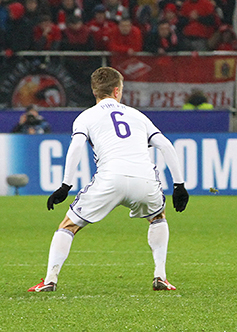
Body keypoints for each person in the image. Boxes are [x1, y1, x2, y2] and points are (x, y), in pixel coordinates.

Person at [28, 67, 189, 292]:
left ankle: (49, 281)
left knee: (68, 225)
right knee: (157, 217)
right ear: (116, 91)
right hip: (144, 179)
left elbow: (76, 146)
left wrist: (65, 185)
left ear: (94, 91)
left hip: (110, 179)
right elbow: (166, 146)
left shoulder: (86, 117)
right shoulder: (137, 116)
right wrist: (179, 185)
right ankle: (160, 276)